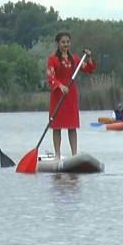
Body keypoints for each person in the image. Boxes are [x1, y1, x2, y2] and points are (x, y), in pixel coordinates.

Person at [46, 31, 96, 161]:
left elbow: (88, 69)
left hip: (71, 94)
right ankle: (57, 154)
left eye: (68, 42)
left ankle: (74, 155)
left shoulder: (74, 59)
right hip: (58, 94)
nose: (65, 44)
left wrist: (89, 57)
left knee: (72, 126)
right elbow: (50, 76)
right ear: (58, 44)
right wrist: (60, 86)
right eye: (63, 42)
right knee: (57, 126)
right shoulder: (53, 59)